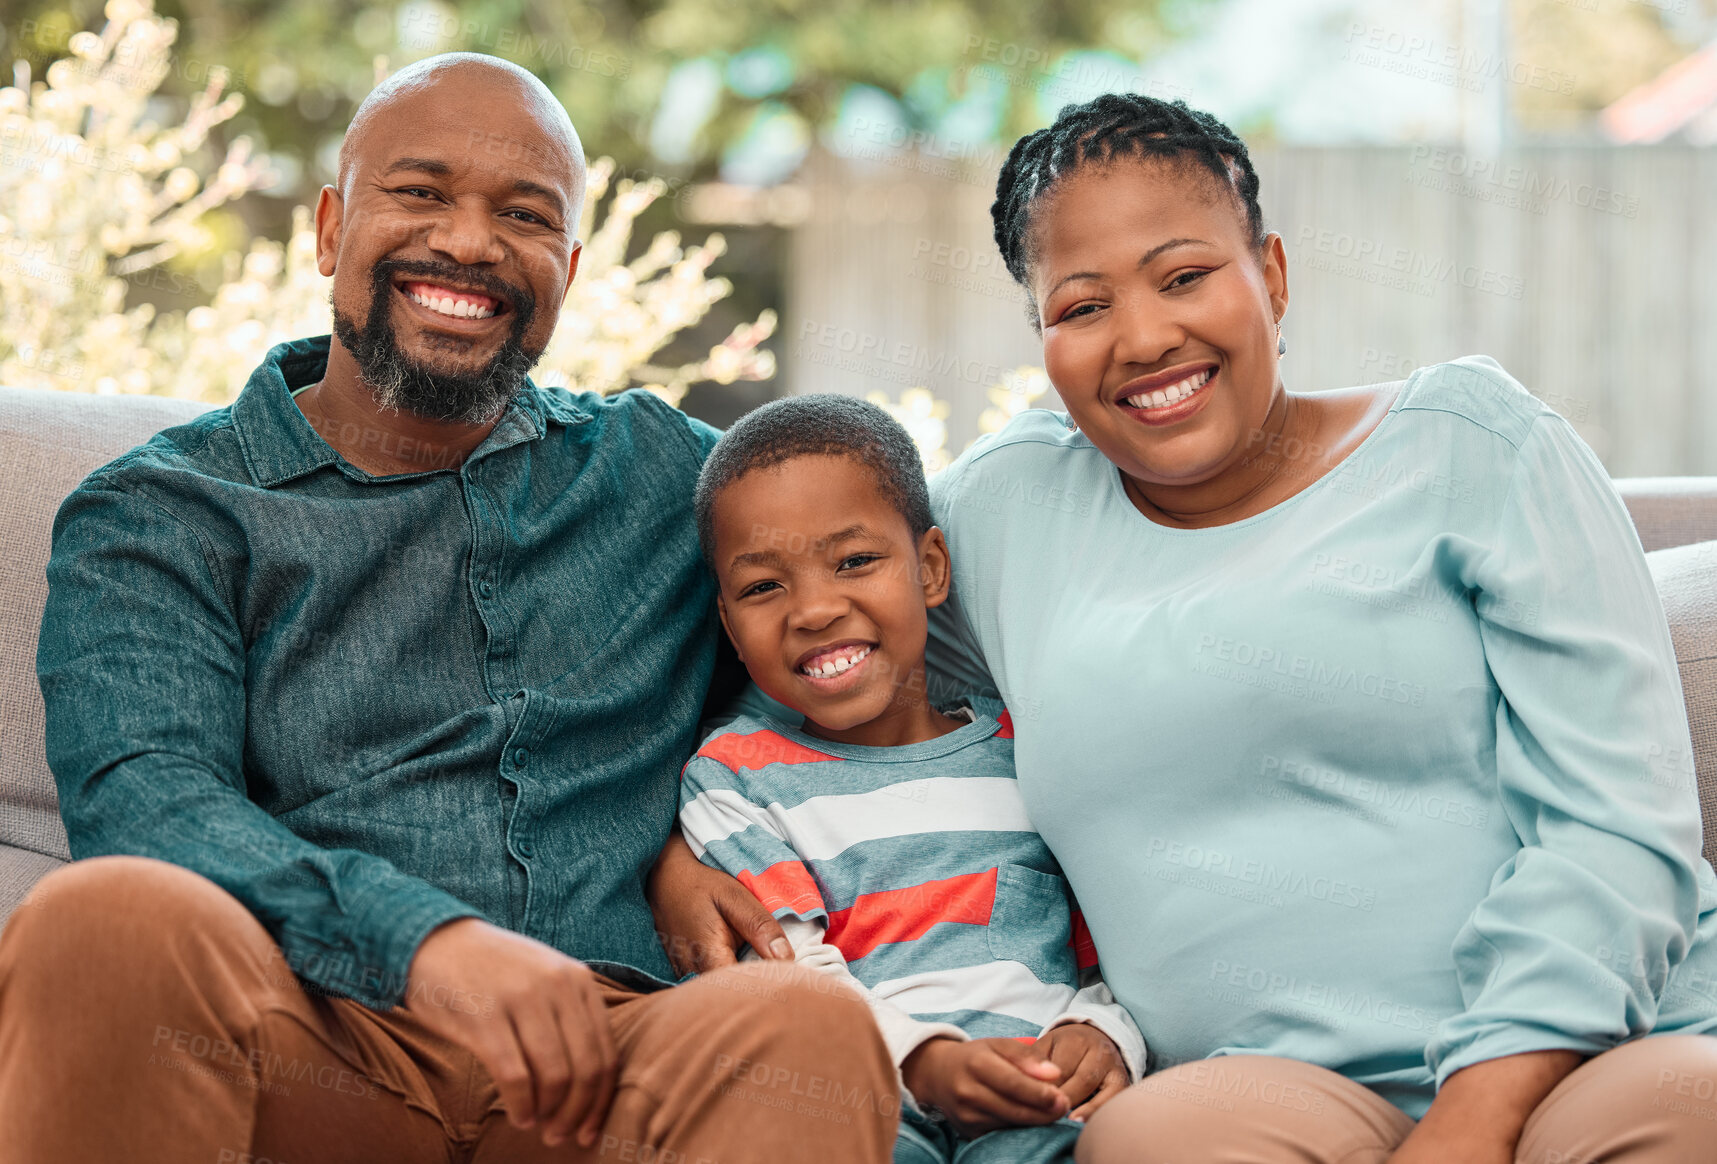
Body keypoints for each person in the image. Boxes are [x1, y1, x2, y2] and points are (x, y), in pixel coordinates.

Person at [651, 93, 1717, 1164]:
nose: (1146, 337)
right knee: (1144, 1146)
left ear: (1274, 276)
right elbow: (835, 659)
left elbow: (1618, 826)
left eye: (1185, 276)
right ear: (1042, 339)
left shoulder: (1475, 449)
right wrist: (689, 855)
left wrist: (1473, 1125)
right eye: (1081, 307)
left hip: (1596, 1050)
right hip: (1259, 1086)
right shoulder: (1003, 515)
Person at [0, 52, 897, 1164]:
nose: (470, 242)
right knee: (106, 921)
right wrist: (426, 941)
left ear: (566, 269)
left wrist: (677, 835)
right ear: (330, 230)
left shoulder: (667, 476)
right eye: (421, 193)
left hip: (614, 1062)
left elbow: (857, 609)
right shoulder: (163, 512)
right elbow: (148, 804)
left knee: (802, 1024)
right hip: (315, 1037)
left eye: (522, 215)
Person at [679, 395, 1147, 1162]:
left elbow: (1117, 946)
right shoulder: (735, 779)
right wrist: (924, 1064)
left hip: (1037, 1098)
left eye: (854, 561)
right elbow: (790, 977)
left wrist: (1103, 1034)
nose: (815, 610)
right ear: (730, 625)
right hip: (858, 1096)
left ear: (929, 568)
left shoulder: (1029, 743)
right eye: (765, 587)